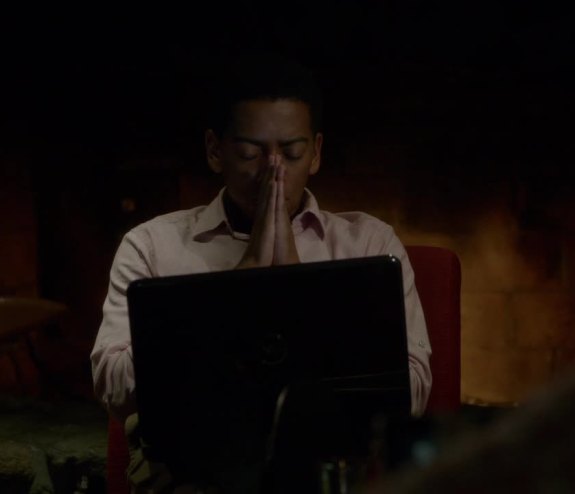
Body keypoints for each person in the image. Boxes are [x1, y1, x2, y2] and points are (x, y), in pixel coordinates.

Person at [90, 53, 432, 425]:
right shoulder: (152, 246)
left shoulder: (370, 244)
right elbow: (112, 388)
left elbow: (411, 393)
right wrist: (235, 291)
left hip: (329, 452)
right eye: (250, 153)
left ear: (315, 153)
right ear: (215, 151)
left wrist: (297, 289)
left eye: (292, 153)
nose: (273, 171)